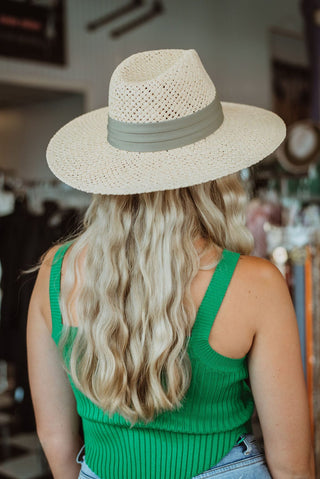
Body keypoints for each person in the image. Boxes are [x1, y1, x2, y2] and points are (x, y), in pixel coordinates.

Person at [27, 49, 315, 479]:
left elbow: (55, 438)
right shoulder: (254, 284)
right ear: (215, 171)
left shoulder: (56, 272)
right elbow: (293, 463)